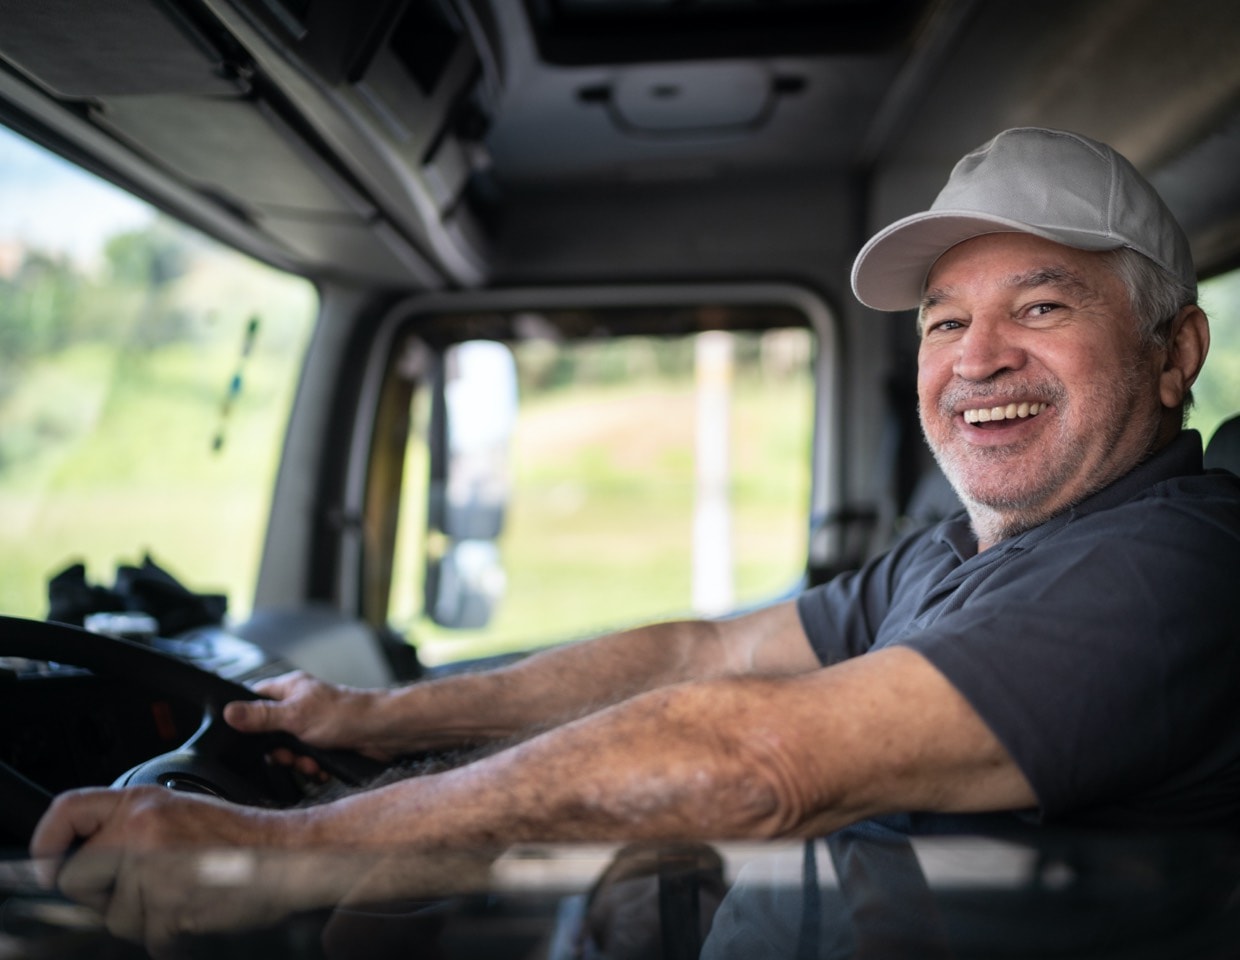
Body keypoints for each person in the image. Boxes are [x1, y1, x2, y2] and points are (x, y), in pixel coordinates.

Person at [31, 127, 1240, 950]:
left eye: (1040, 306)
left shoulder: (1171, 567)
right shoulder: (958, 557)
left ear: (1173, 351)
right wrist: (376, 721)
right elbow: (702, 659)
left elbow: (758, 756)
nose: (977, 359)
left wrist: (280, 853)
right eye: (943, 322)